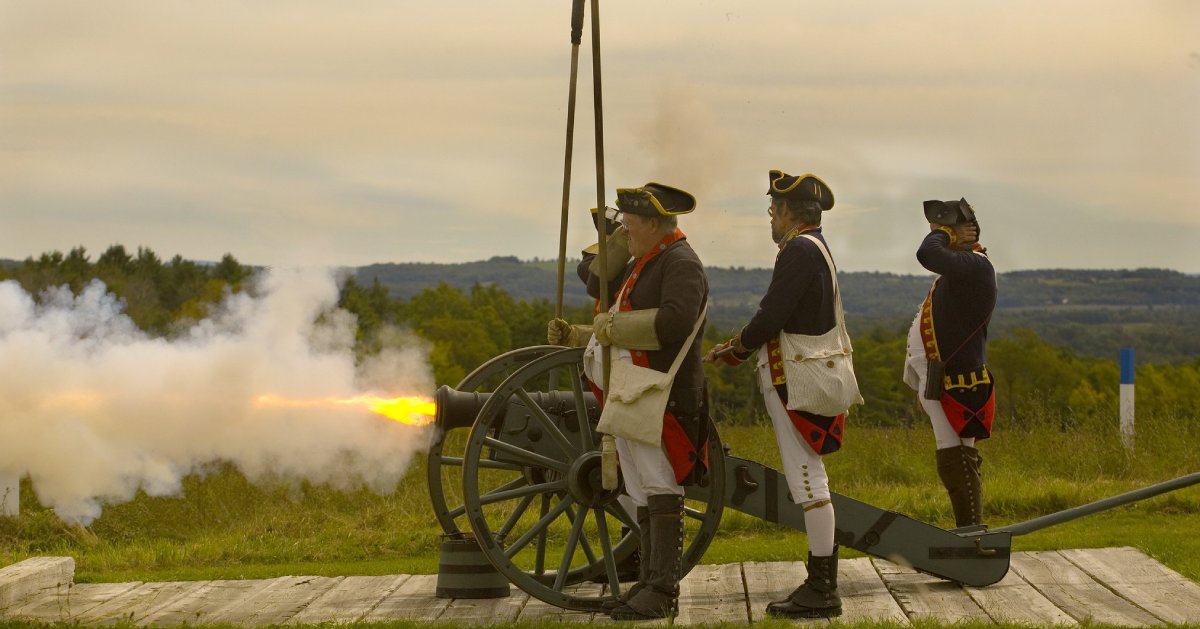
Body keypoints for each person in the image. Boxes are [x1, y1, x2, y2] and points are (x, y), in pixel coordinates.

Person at [547, 182, 710, 621]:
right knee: (640, 486)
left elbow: (675, 322)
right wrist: (581, 335)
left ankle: (662, 590)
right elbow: (614, 323)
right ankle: (646, 583)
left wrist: (608, 330)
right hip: (634, 389)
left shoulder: (680, 263)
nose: (625, 235)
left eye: (631, 225)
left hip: (661, 394)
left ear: (654, 224)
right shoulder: (648, 261)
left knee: (659, 484)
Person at [704, 170, 851, 619]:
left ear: (788, 212)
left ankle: (823, 589)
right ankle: (820, 583)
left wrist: (738, 348)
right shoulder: (812, 247)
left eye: (773, 210)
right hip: (802, 372)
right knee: (810, 480)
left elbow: (771, 314)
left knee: (808, 482)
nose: (771, 218)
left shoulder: (799, 250)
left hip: (797, 379)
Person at [902, 198, 997, 529]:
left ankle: (970, 533)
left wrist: (942, 235)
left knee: (956, 457)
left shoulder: (976, 264)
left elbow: (927, 253)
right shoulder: (966, 267)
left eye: (944, 229)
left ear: (965, 234)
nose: (937, 234)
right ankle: (969, 530)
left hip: (958, 381)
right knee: (954, 456)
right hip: (945, 376)